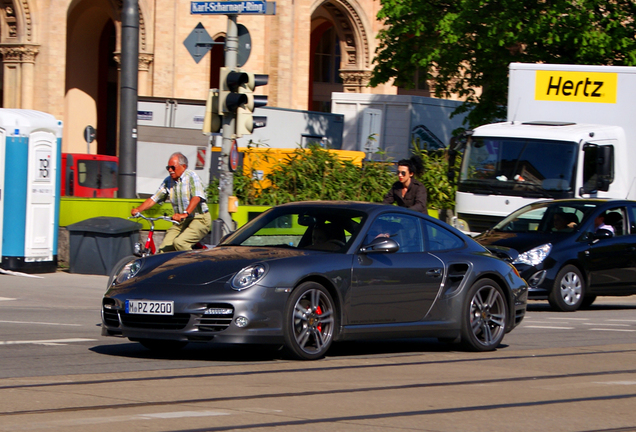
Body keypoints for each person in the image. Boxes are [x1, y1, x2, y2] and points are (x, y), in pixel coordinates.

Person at [131, 152, 211, 252]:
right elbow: (154, 199)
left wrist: (185, 214)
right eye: (168, 167)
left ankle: (193, 265)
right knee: (163, 250)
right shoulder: (168, 181)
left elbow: (196, 197)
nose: (170, 170)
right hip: (181, 222)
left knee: (180, 243)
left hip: (199, 218)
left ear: (183, 166)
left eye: (173, 167)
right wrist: (138, 209)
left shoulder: (191, 176)